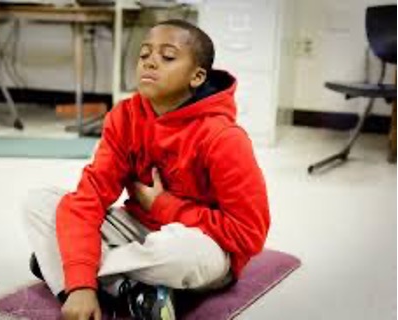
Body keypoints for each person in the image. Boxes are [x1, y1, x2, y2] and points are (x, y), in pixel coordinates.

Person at [23, 19, 270, 320]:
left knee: (181, 251)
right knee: (40, 202)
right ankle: (124, 290)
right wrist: (80, 287)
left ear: (197, 76)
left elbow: (249, 234)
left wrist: (164, 206)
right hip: (138, 232)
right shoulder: (123, 117)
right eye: (144, 55)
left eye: (167, 57)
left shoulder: (224, 138)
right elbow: (88, 199)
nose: (151, 62)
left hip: (203, 246)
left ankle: (68, 269)